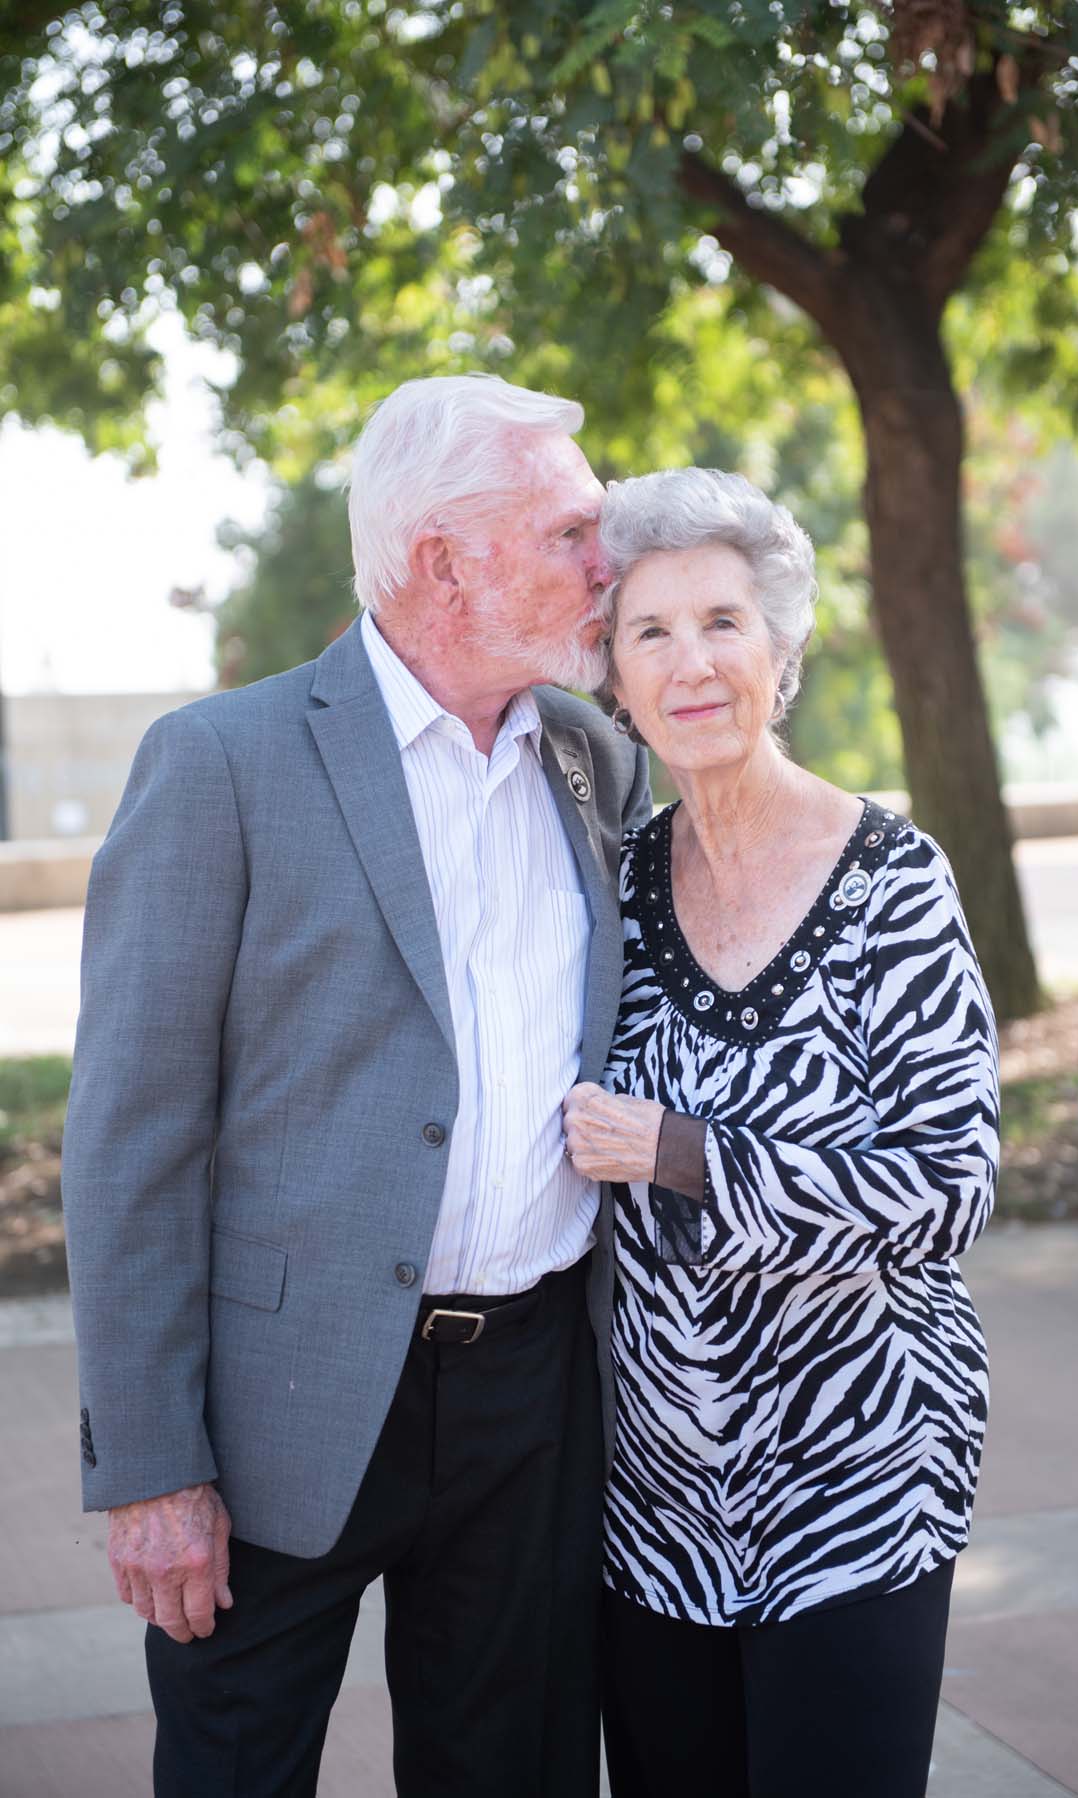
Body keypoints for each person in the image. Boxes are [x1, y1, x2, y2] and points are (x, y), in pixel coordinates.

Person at [61, 373, 651, 1798]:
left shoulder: (594, 757)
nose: (605, 565)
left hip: (535, 1396)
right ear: (445, 557)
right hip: (286, 1405)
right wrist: (149, 1466)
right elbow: (131, 1139)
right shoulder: (222, 762)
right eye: (572, 531)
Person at [562, 467, 999, 1798]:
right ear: (613, 677)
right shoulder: (611, 884)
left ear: (781, 650)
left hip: (858, 1488)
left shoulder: (893, 879)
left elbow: (949, 1187)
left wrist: (684, 1150)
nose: (691, 662)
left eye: (723, 623)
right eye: (651, 631)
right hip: (652, 1514)